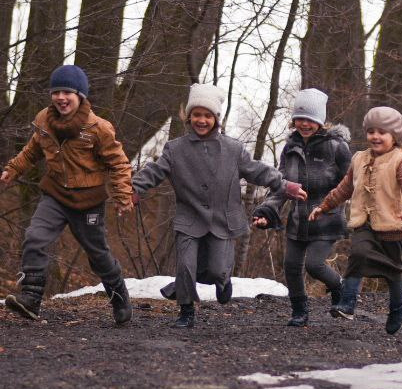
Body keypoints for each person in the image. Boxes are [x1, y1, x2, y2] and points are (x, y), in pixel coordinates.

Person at [131, 83, 307, 329]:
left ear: (216, 119)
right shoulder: (175, 148)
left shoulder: (232, 149)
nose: (201, 120)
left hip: (222, 219)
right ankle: (186, 311)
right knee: (185, 265)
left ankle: (223, 283)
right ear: (188, 117)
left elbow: (257, 170)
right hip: (189, 217)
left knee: (217, 270)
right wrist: (134, 188)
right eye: (197, 115)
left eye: (207, 116)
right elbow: (154, 171)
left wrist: (285, 185)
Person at [0, 65, 134, 324]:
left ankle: (119, 297)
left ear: (80, 95)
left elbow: (119, 164)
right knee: (35, 237)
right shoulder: (43, 120)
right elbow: (32, 150)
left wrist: (122, 196)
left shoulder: (98, 128)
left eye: (68, 92)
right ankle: (30, 299)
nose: (61, 98)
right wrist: (13, 169)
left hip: (88, 201)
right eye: (56, 92)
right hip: (56, 195)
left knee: (98, 255)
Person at [309, 106, 402, 335]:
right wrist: (324, 206)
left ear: (395, 136)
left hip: (391, 225)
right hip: (364, 222)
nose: (375, 136)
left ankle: (398, 306)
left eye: (382, 132)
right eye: (371, 131)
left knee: (393, 272)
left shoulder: (401, 160)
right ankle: (348, 302)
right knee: (358, 254)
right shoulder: (359, 159)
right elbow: (344, 188)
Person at [251, 88, 352, 326]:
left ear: (320, 121)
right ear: (294, 120)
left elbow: (351, 182)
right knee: (291, 266)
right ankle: (299, 310)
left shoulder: (336, 147)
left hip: (328, 218)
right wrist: (266, 212)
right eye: (300, 118)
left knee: (314, 265)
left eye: (310, 119)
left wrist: (344, 207)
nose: (304, 124)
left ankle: (340, 288)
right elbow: (282, 185)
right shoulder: (290, 149)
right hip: (298, 219)